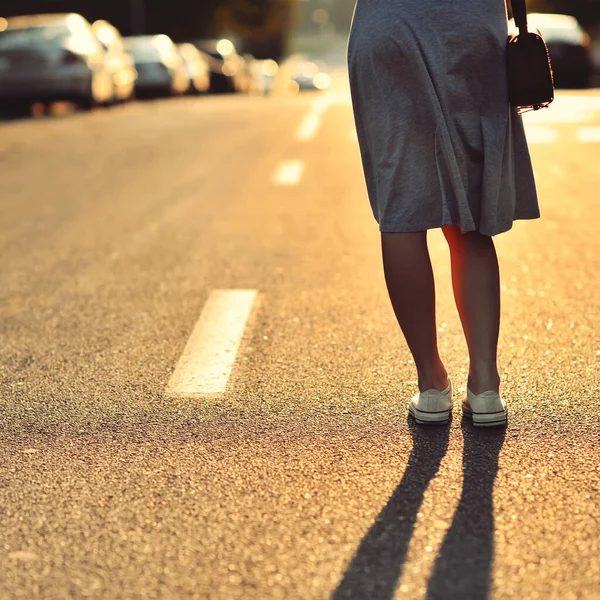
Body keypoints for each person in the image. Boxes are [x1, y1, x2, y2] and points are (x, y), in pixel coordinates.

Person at [347, 0, 539, 427]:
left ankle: (431, 385)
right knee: (468, 209)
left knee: (403, 212)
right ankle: (485, 386)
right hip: (470, 29)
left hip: (390, 28)